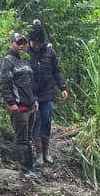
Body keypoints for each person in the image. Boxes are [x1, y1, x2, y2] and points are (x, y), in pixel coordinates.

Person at [26, 19, 68, 165]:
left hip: (47, 94)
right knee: (36, 123)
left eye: (39, 43)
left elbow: (56, 70)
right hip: (32, 96)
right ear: (30, 41)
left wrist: (63, 87)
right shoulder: (25, 53)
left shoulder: (50, 52)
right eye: (34, 43)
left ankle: (46, 152)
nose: (37, 46)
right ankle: (38, 153)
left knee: (47, 121)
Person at [0, 32, 37, 176]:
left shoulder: (25, 61)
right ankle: (24, 169)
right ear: (11, 44)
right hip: (19, 107)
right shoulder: (7, 61)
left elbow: (31, 83)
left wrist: (35, 99)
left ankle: (30, 168)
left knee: (28, 138)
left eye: (23, 43)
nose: (21, 46)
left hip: (30, 106)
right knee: (21, 140)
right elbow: (4, 84)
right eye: (18, 43)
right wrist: (11, 102)